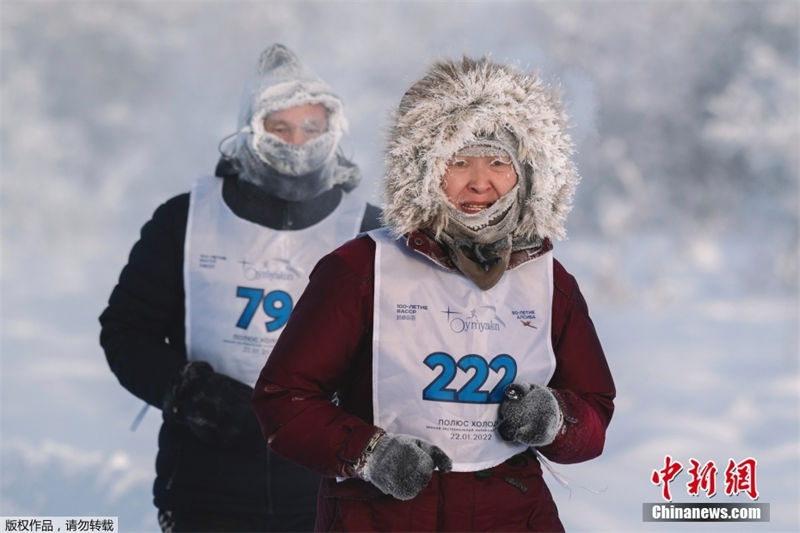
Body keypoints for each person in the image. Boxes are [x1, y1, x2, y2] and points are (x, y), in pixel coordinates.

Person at [251, 54, 616, 532]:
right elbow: (285, 399)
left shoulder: (551, 281)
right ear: (423, 168)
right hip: (378, 518)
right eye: (459, 162)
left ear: (527, 171)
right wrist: (370, 455)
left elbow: (594, 410)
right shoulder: (360, 269)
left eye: (499, 162)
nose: (480, 182)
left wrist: (555, 420)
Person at [99, 43, 380, 532]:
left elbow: (413, 349)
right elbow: (125, 332)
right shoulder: (185, 220)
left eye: (311, 129)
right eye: (280, 128)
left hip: (332, 495)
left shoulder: (371, 233)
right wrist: (186, 391)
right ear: (251, 129)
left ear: (334, 133)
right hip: (205, 492)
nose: (297, 144)